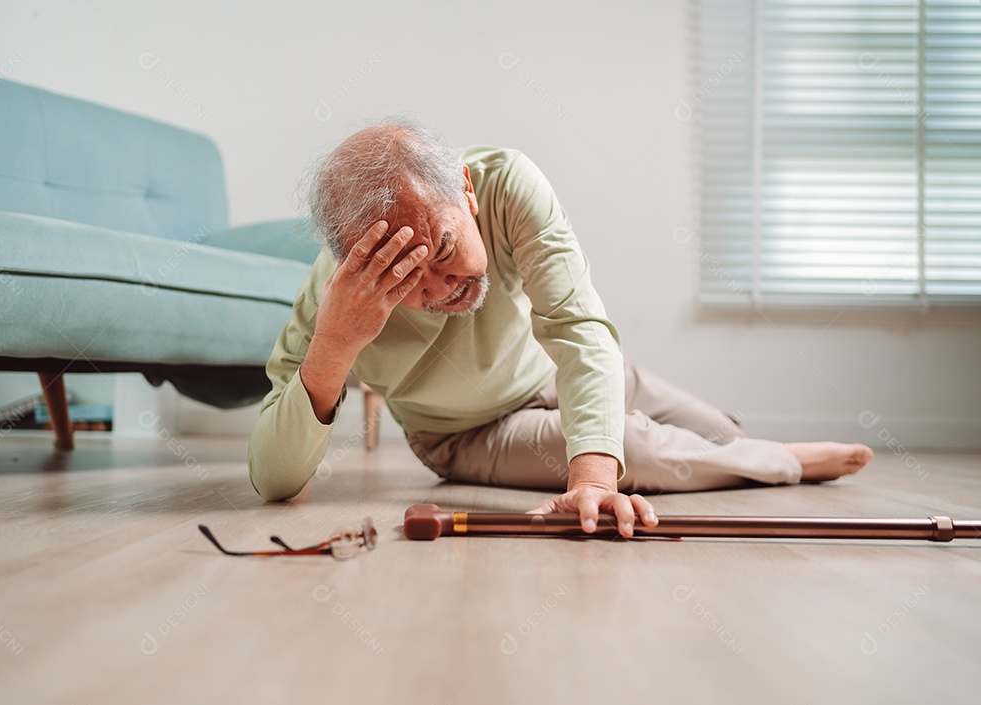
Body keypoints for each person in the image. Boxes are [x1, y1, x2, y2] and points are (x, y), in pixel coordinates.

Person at [248, 120, 874, 536]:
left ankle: (744, 454)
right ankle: (783, 460)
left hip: (549, 369)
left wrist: (591, 475)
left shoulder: (507, 182)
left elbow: (578, 329)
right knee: (638, 451)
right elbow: (274, 480)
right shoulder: (336, 298)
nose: (438, 288)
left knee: (717, 431)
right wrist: (336, 343)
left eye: (442, 249)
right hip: (466, 433)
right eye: (406, 278)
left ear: (466, 190)